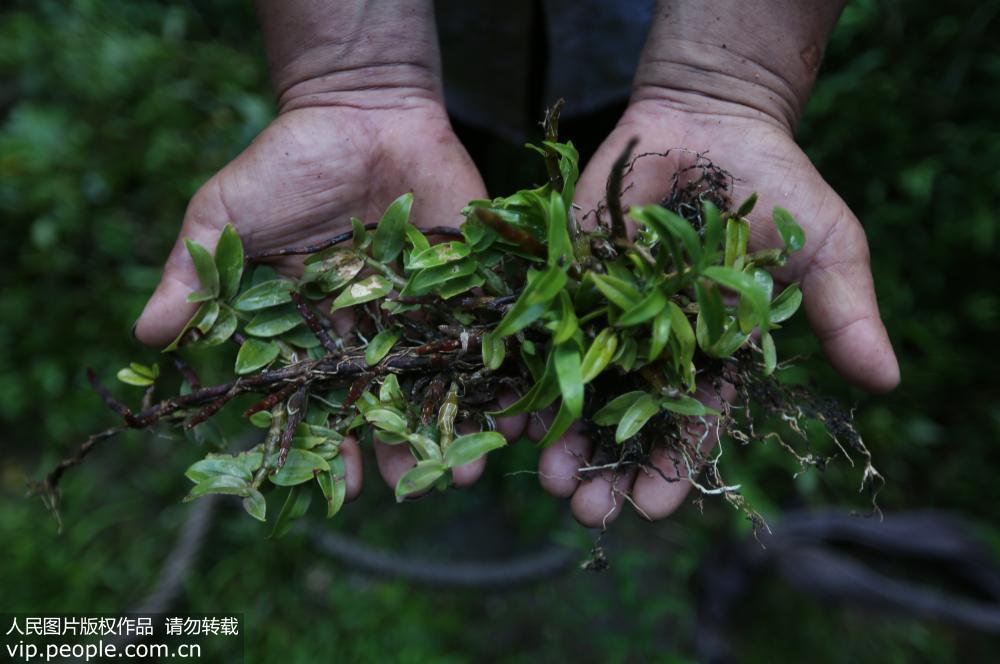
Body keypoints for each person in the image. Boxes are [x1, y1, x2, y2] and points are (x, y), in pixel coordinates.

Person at [133, 0, 900, 528]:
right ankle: (500, 402)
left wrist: (732, 85)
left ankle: (515, 392)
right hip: (421, 45)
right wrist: (350, 77)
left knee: (608, 191)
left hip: (666, 46)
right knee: (468, 195)